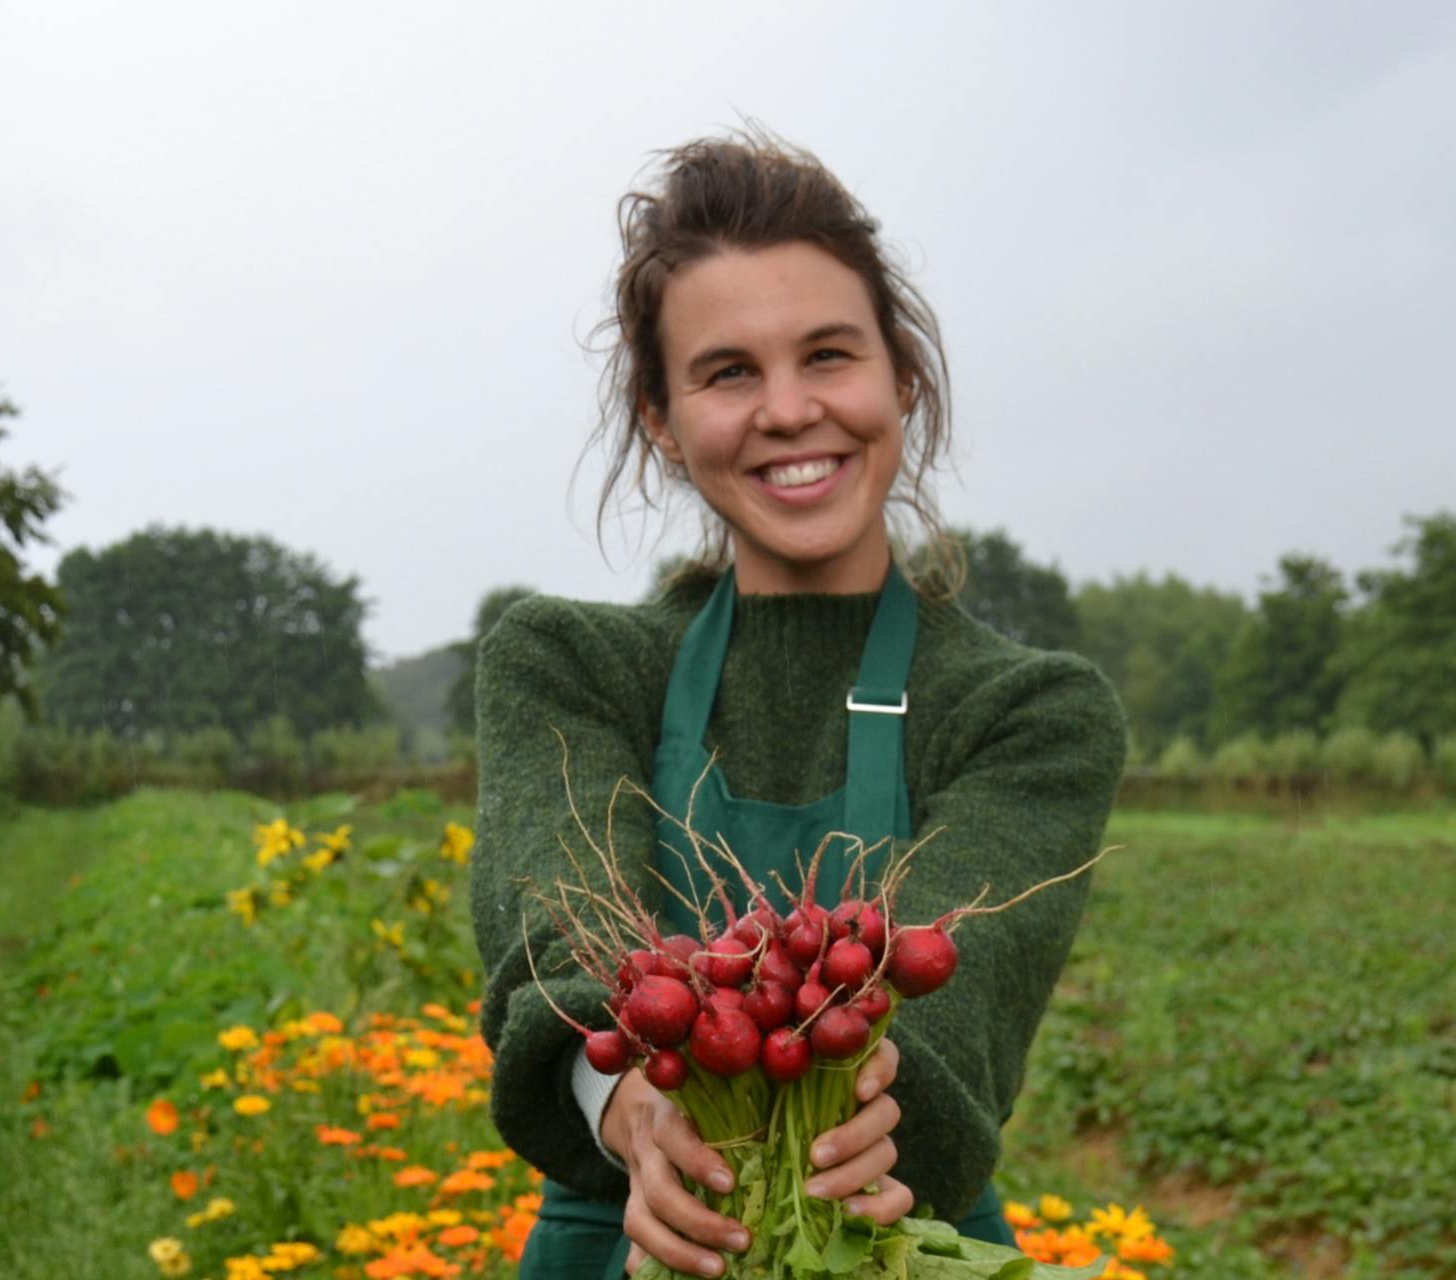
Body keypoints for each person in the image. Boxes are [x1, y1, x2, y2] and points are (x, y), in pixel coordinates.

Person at [470, 131, 1126, 1280]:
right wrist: (629, 1101)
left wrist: (860, 1107)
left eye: (829, 354)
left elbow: (946, 1010)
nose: (788, 409)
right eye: (728, 371)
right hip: (624, 1226)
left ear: (902, 380)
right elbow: (557, 954)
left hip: (901, 1224)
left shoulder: (1031, 711)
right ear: (664, 420)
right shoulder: (568, 662)